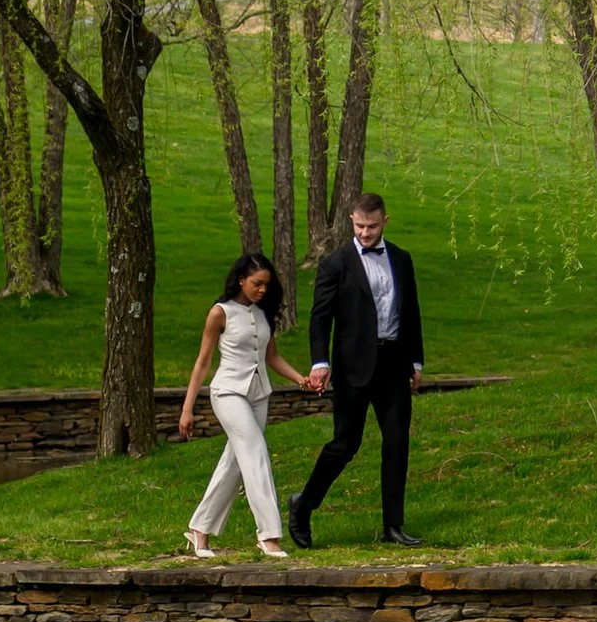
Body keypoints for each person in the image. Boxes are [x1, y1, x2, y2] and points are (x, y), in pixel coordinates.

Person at [288, 192, 426, 547]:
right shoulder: (337, 263)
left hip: (394, 365)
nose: (365, 233)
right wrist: (320, 361)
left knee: (397, 442)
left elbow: (410, 313)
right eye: (360, 226)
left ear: (385, 222)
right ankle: (303, 504)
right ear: (352, 220)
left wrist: (416, 360)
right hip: (353, 369)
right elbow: (320, 319)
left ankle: (393, 526)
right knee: (346, 444)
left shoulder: (401, 259)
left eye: (372, 226)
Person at [177, 253, 318, 559]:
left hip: (258, 395)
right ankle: (269, 535)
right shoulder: (220, 313)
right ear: (241, 279)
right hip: (227, 393)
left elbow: (272, 358)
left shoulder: (264, 314)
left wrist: (301, 379)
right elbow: (202, 362)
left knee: (235, 463)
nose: (263, 290)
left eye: (267, 284)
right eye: (257, 283)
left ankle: (199, 530)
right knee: (255, 452)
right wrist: (187, 409)